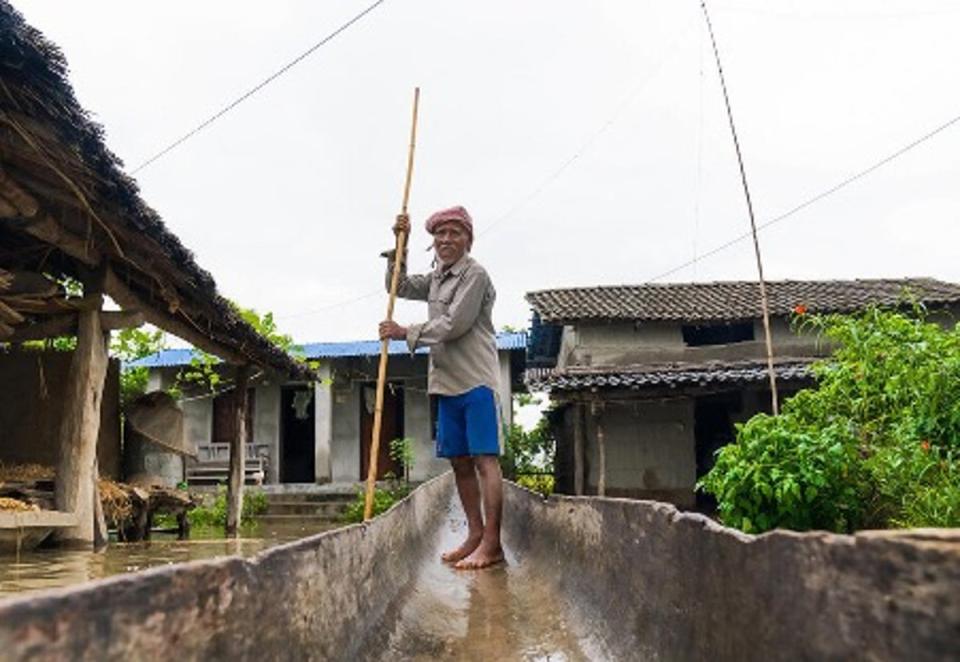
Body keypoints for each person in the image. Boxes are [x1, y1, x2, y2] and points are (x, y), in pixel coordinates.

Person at [379, 205, 505, 570]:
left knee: (484, 460)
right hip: (446, 384)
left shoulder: (475, 274)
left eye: (454, 233)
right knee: (459, 463)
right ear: (432, 241)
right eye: (440, 234)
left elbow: (455, 324)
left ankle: (493, 544)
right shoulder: (436, 278)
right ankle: (475, 534)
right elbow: (396, 285)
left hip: (476, 381)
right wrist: (398, 245)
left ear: (468, 238)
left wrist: (405, 332)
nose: (446, 240)